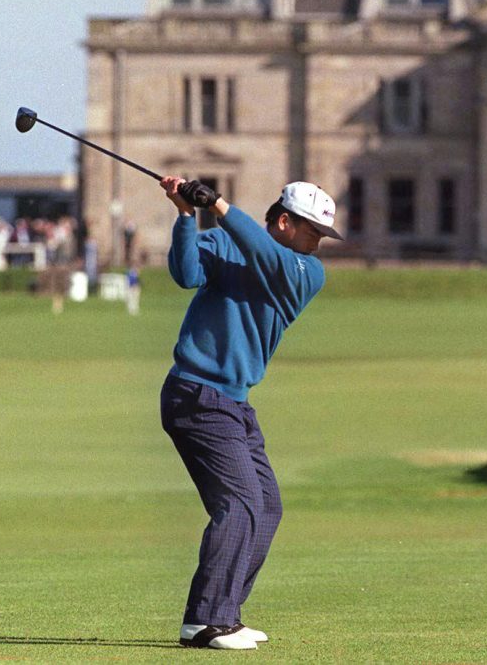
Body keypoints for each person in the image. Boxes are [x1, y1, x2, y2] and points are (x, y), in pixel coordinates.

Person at [158, 176, 342, 650]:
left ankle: (226, 612)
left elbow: (265, 256)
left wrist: (218, 205)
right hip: (196, 394)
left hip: (234, 402)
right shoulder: (226, 241)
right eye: (313, 232)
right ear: (284, 222)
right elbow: (186, 274)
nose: (318, 243)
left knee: (267, 505)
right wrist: (186, 215)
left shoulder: (305, 272)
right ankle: (206, 620)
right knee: (239, 504)